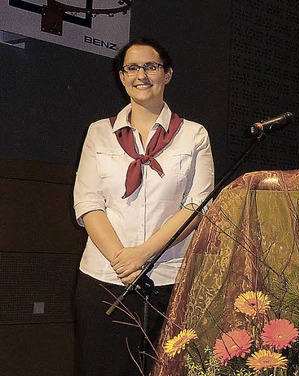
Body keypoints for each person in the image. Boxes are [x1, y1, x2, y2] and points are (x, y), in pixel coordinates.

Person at [73, 38, 214, 375]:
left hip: (169, 279)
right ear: (122, 77)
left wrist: (144, 254)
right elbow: (88, 202)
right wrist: (123, 260)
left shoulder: (194, 135)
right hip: (104, 277)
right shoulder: (99, 133)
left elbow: (197, 205)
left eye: (151, 67)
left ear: (167, 74)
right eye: (132, 68)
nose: (141, 75)